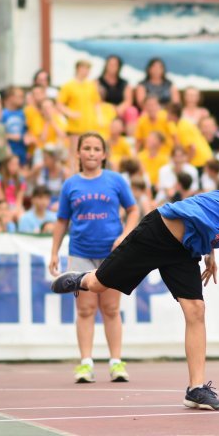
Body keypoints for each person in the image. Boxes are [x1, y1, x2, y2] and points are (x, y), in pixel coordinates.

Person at [51, 174, 219, 410]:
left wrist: (210, 252)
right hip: (157, 233)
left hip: (183, 252)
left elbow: (204, 211)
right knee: (98, 285)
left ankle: (195, 389)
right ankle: (80, 279)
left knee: (196, 310)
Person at [49, 132, 139, 383]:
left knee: (111, 308)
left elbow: (133, 210)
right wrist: (54, 251)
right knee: (85, 309)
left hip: (112, 254)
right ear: (78, 153)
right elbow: (61, 220)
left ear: (104, 154)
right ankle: (86, 364)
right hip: (80, 253)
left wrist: (125, 235)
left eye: (96, 148)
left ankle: (116, 363)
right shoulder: (70, 184)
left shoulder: (116, 180)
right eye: (86, 148)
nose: (91, 152)